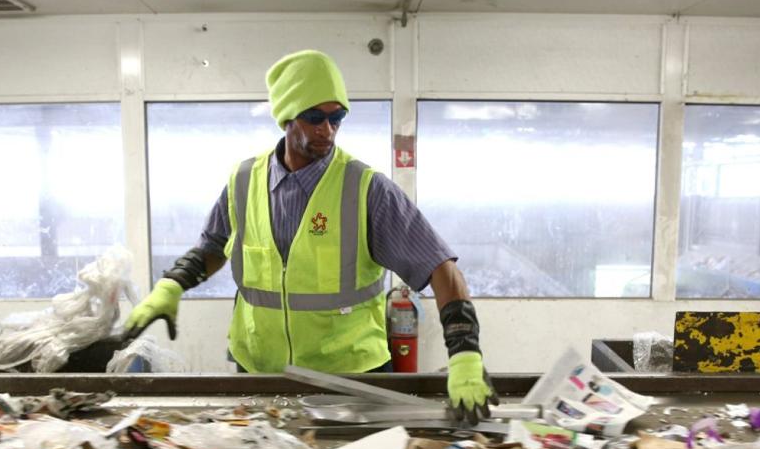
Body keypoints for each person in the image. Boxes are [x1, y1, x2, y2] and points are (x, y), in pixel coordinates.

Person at [122, 49, 498, 423]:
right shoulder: (242, 182)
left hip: (350, 381)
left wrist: (464, 352)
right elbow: (214, 247)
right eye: (315, 117)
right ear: (286, 118)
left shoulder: (365, 189)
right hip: (259, 375)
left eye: (337, 117)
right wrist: (171, 286)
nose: (327, 129)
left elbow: (440, 267)